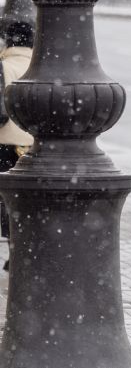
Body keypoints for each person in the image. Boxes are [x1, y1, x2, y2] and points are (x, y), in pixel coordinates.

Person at [0, 22, 35, 270]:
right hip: (34, 146)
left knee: (3, 202)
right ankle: (22, 251)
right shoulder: (45, 66)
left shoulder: (3, 65)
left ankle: (14, 249)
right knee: (27, 202)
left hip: (4, 143)